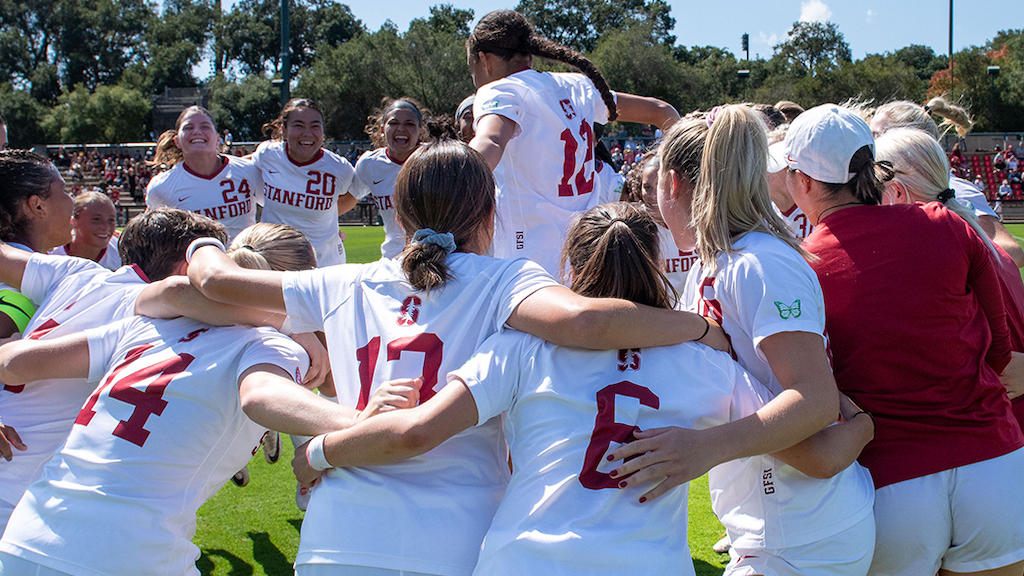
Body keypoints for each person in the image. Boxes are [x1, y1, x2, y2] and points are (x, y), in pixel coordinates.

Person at [187, 140, 724, 576]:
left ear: (395, 212)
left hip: (339, 533)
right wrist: (701, 327)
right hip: (457, 535)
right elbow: (589, 322)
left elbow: (214, 281)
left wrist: (201, 241)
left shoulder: (343, 282)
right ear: (491, 210)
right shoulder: (505, 281)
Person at [291, 201, 872, 576]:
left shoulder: (521, 347)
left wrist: (317, 450)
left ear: (570, 269)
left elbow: (416, 430)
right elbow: (816, 453)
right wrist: (866, 424)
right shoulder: (706, 361)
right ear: (660, 269)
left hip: (523, 560)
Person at [0, 224, 390, 576]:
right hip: (130, 549)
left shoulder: (149, 321)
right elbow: (261, 395)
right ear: (302, 283)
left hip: (28, 530)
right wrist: (359, 422)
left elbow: (13, 362)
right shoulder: (275, 346)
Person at [609, 108, 876, 575]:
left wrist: (705, 447)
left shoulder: (759, 262)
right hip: (775, 524)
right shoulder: (716, 263)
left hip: (803, 530)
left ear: (672, 183)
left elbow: (813, 401)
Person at [787, 104, 1024, 576]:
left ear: (805, 182)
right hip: (993, 464)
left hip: (890, 481)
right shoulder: (945, 223)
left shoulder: (799, 262)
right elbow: (999, 353)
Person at [467, 9, 681, 276]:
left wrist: (441, 185)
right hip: (591, 256)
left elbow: (490, 141)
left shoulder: (499, 90)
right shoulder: (577, 85)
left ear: (483, 60)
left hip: (532, 266)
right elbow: (662, 110)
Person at [875, 126, 1024, 440]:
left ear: (897, 192)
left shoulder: (936, 257)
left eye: (871, 189)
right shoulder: (980, 240)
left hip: (989, 432)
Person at [869, 97, 1024, 266]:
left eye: (877, 135)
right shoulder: (875, 188)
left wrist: (945, 264)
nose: (869, 143)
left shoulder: (954, 188)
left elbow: (1012, 252)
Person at [250, 98, 357, 267]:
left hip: (325, 265)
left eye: (315, 126)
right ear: (284, 131)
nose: (307, 133)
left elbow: (353, 195)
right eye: (298, 125)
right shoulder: (267, 154)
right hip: (275, 263)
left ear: (322, 131)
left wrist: (327, 220)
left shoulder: (340, 168)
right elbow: (240, 167)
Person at [145, 106, 261, 242]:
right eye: (188, 127)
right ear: (177, 141)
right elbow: (151, 235)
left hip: (244, 261)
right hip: (196, 262)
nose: (197, 132)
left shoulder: (249, 170)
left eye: (205, 126)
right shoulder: (161, 187)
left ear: (218, 139)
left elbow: (274, 210)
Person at [347, 97, 427, 260]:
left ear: (421, 131)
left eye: (409, 124)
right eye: (394, 123)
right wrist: (330, 227)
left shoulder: (437, 159)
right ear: (382, 130)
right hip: (392, 259)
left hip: (434, 257)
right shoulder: (370, 164)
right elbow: (346, 202)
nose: (401, 129)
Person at [621, 152, 697, 293]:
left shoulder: (696, 221)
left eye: (659, 187)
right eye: (647, 187)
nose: (653, 196)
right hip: (658, 312)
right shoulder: (634, 225)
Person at [49, 191, 121, 270]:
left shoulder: (121, 253)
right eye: (96, 219)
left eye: (111, 220)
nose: (105, 227)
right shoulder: (51, 256)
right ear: (73, 221)